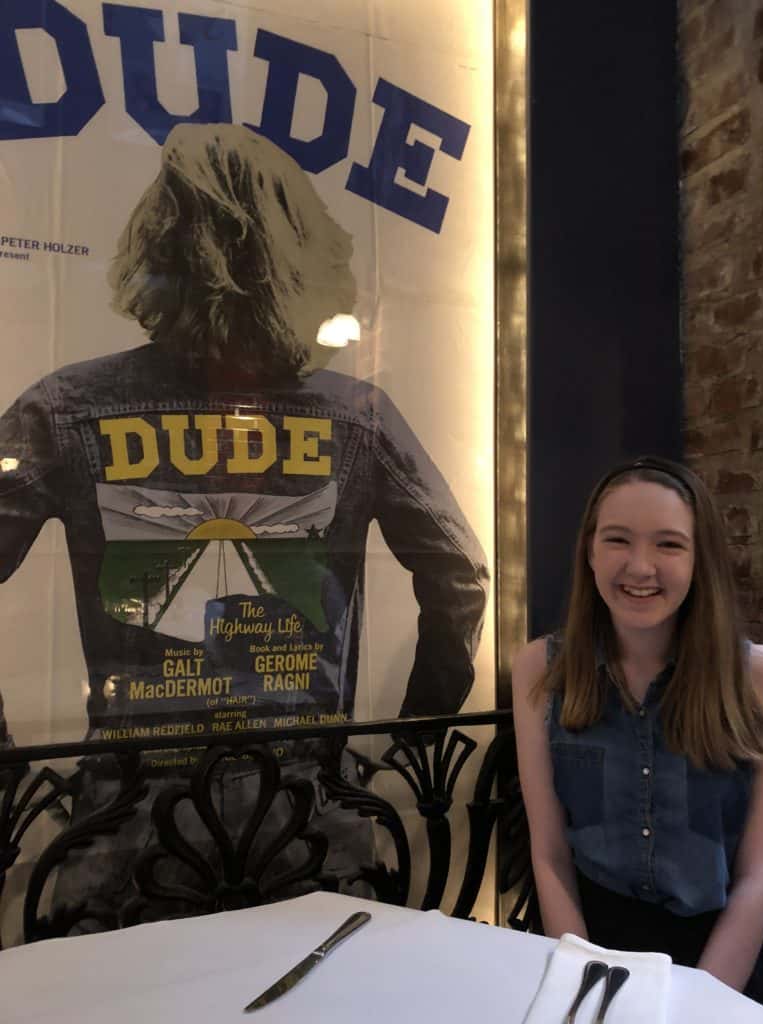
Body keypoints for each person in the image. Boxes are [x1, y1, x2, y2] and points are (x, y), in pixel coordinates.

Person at [0, 123, 488, 922]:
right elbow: (461, 577)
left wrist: (8, 766)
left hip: (128, 818)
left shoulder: (67, 407)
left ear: (157, 242)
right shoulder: (357, 415)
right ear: (303, 249)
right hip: (309, 810)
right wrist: (410, 742)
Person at [512, 456, 763, 1003]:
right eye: (618, 540)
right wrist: (583, 983)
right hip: (586, 941)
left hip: (724, 951)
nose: (640, 566)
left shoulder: (759, 680)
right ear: (590, 550)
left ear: (701, 560)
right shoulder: (541, 669)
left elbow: (759, 876)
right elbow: (549, 852)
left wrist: (701, 1003)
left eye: (669, 544)